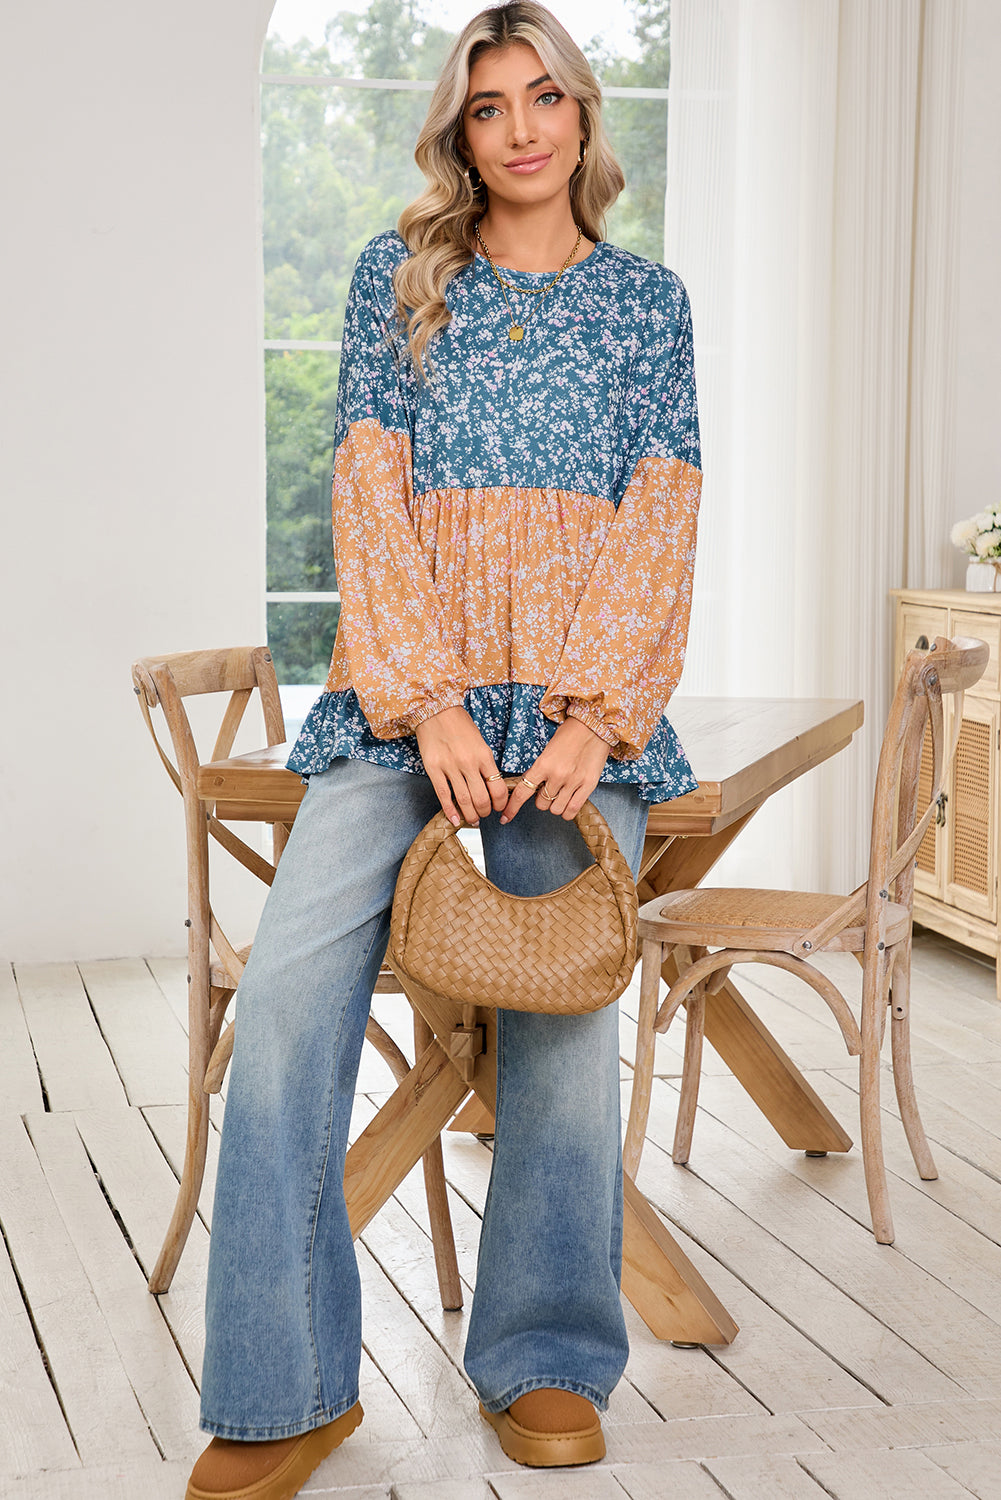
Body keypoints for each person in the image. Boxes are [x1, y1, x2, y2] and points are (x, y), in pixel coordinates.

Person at [185, 3, 701, 1497]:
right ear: (459, 134)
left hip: (574, 712)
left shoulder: (646, 306)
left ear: (584, 118)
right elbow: (366, 496)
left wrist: (597, 713)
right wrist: (433, 705)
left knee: (558, 1022)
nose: (523, 127)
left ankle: (541, 1355)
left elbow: (661, 517)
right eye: (490, 107)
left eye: (546, 97)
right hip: (407, 699)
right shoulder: (396, 280)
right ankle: (286, 1384)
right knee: (285, 1002)